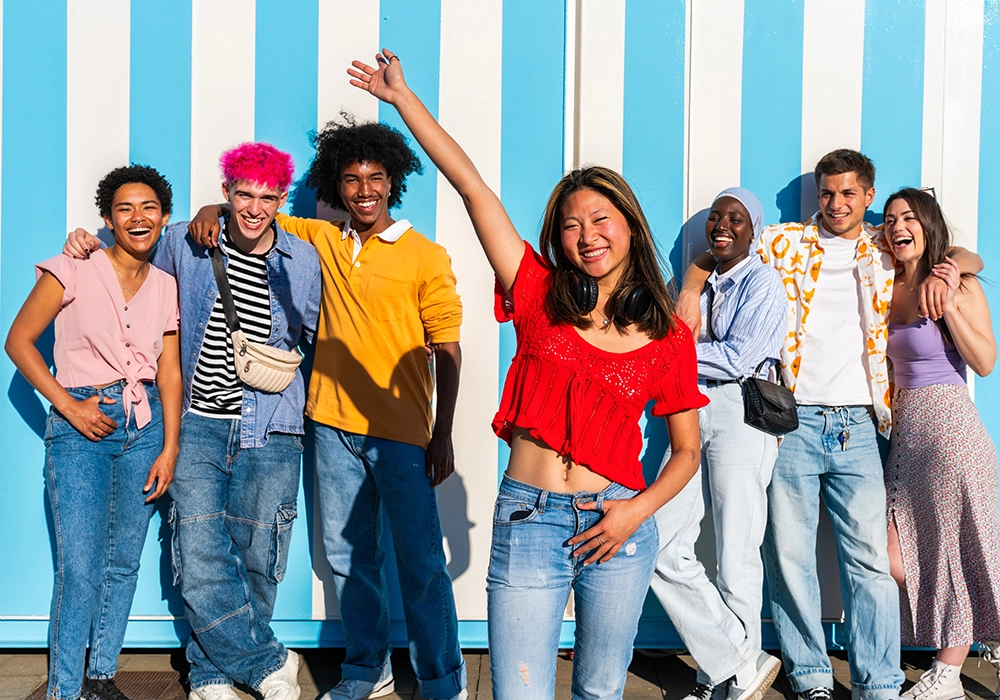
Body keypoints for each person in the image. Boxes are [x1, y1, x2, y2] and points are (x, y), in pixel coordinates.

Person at [347, 48, 705, 700]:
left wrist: (635, 515)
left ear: (628, 224)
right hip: (529, 519)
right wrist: (402, 100)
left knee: (599, 691)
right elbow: (472, 187)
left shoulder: (668, 337)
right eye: (570, 226)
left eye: (600, 219)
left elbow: (686, 454)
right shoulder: (537, 294)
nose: (586, 235)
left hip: (618, 525)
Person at [676, 149, 981, 700]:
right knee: (789, 556)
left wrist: (956, 267)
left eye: (848, 194)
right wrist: (691, 291)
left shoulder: (885, 247)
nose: (836, 204)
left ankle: (880, 682)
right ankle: (811, 677)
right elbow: (714, 248)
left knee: (867, 559)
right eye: (827, 193)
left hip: (860, 424)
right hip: (792, 416)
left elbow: (957, 251)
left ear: (867, 196)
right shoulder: (785, 241)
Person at [187, 117, 466, 700]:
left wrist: (442, 435)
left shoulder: (426, 256)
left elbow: (448, 348)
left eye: (376, 177)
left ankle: (444, 681)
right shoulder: (322, 240)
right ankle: (368, 668)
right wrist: (211, 210)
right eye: (351, 178)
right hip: (331, 429)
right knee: (347, 558)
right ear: (337, 186)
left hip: (403, 436)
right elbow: (256, 215)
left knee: (420, 564)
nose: (364, 189)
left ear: (394, 182)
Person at [63, 144, 322, 700]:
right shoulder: (184, 240)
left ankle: (211, 671)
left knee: (259, 554)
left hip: (272, 424)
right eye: (243, 194)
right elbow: (125, 272)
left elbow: (314, 337)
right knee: (199, 551)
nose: (255, 206)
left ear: (281, 200)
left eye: (268, 196)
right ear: (226, 194)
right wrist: (87, 243)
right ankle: (269, 661)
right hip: (197, 422)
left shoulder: (302, 260)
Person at [6, 165, 182, 700]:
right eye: (125, 208)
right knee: (79, 570)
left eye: (149, 207)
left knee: (124, 562)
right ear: (107, 218)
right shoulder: (73, 267)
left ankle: (101, 677)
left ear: (165, 218)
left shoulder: (167, 284)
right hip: (81, 426)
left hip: (145, 426)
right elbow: (18, 341)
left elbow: (169, 371)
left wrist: (170, 447)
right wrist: (69, 407)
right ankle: (64, 690)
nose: (138, 217)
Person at [650, 188, 786, 700]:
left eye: (736, 219)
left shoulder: (763, 283)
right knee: (659, 541)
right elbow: (659, 330)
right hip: (688, 408)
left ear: (754, 230)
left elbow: (738, 359)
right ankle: (739, 662)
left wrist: (677, 351)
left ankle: (721, 680)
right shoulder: (694, 280)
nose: (722, 226)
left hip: (740, 412)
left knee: (736, 550)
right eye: (715, 218)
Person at [880, 188, 999, 700]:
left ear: (928, 224)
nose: (897, 226)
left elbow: (986, 361)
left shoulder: (961, 284)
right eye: (889, 220)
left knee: (957, 547)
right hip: (906, 435)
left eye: (909, 217)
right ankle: (977, 635)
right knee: (895, 556)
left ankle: (947, 670)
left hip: (950, 428)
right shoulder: (884, 276)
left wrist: (948, 299)